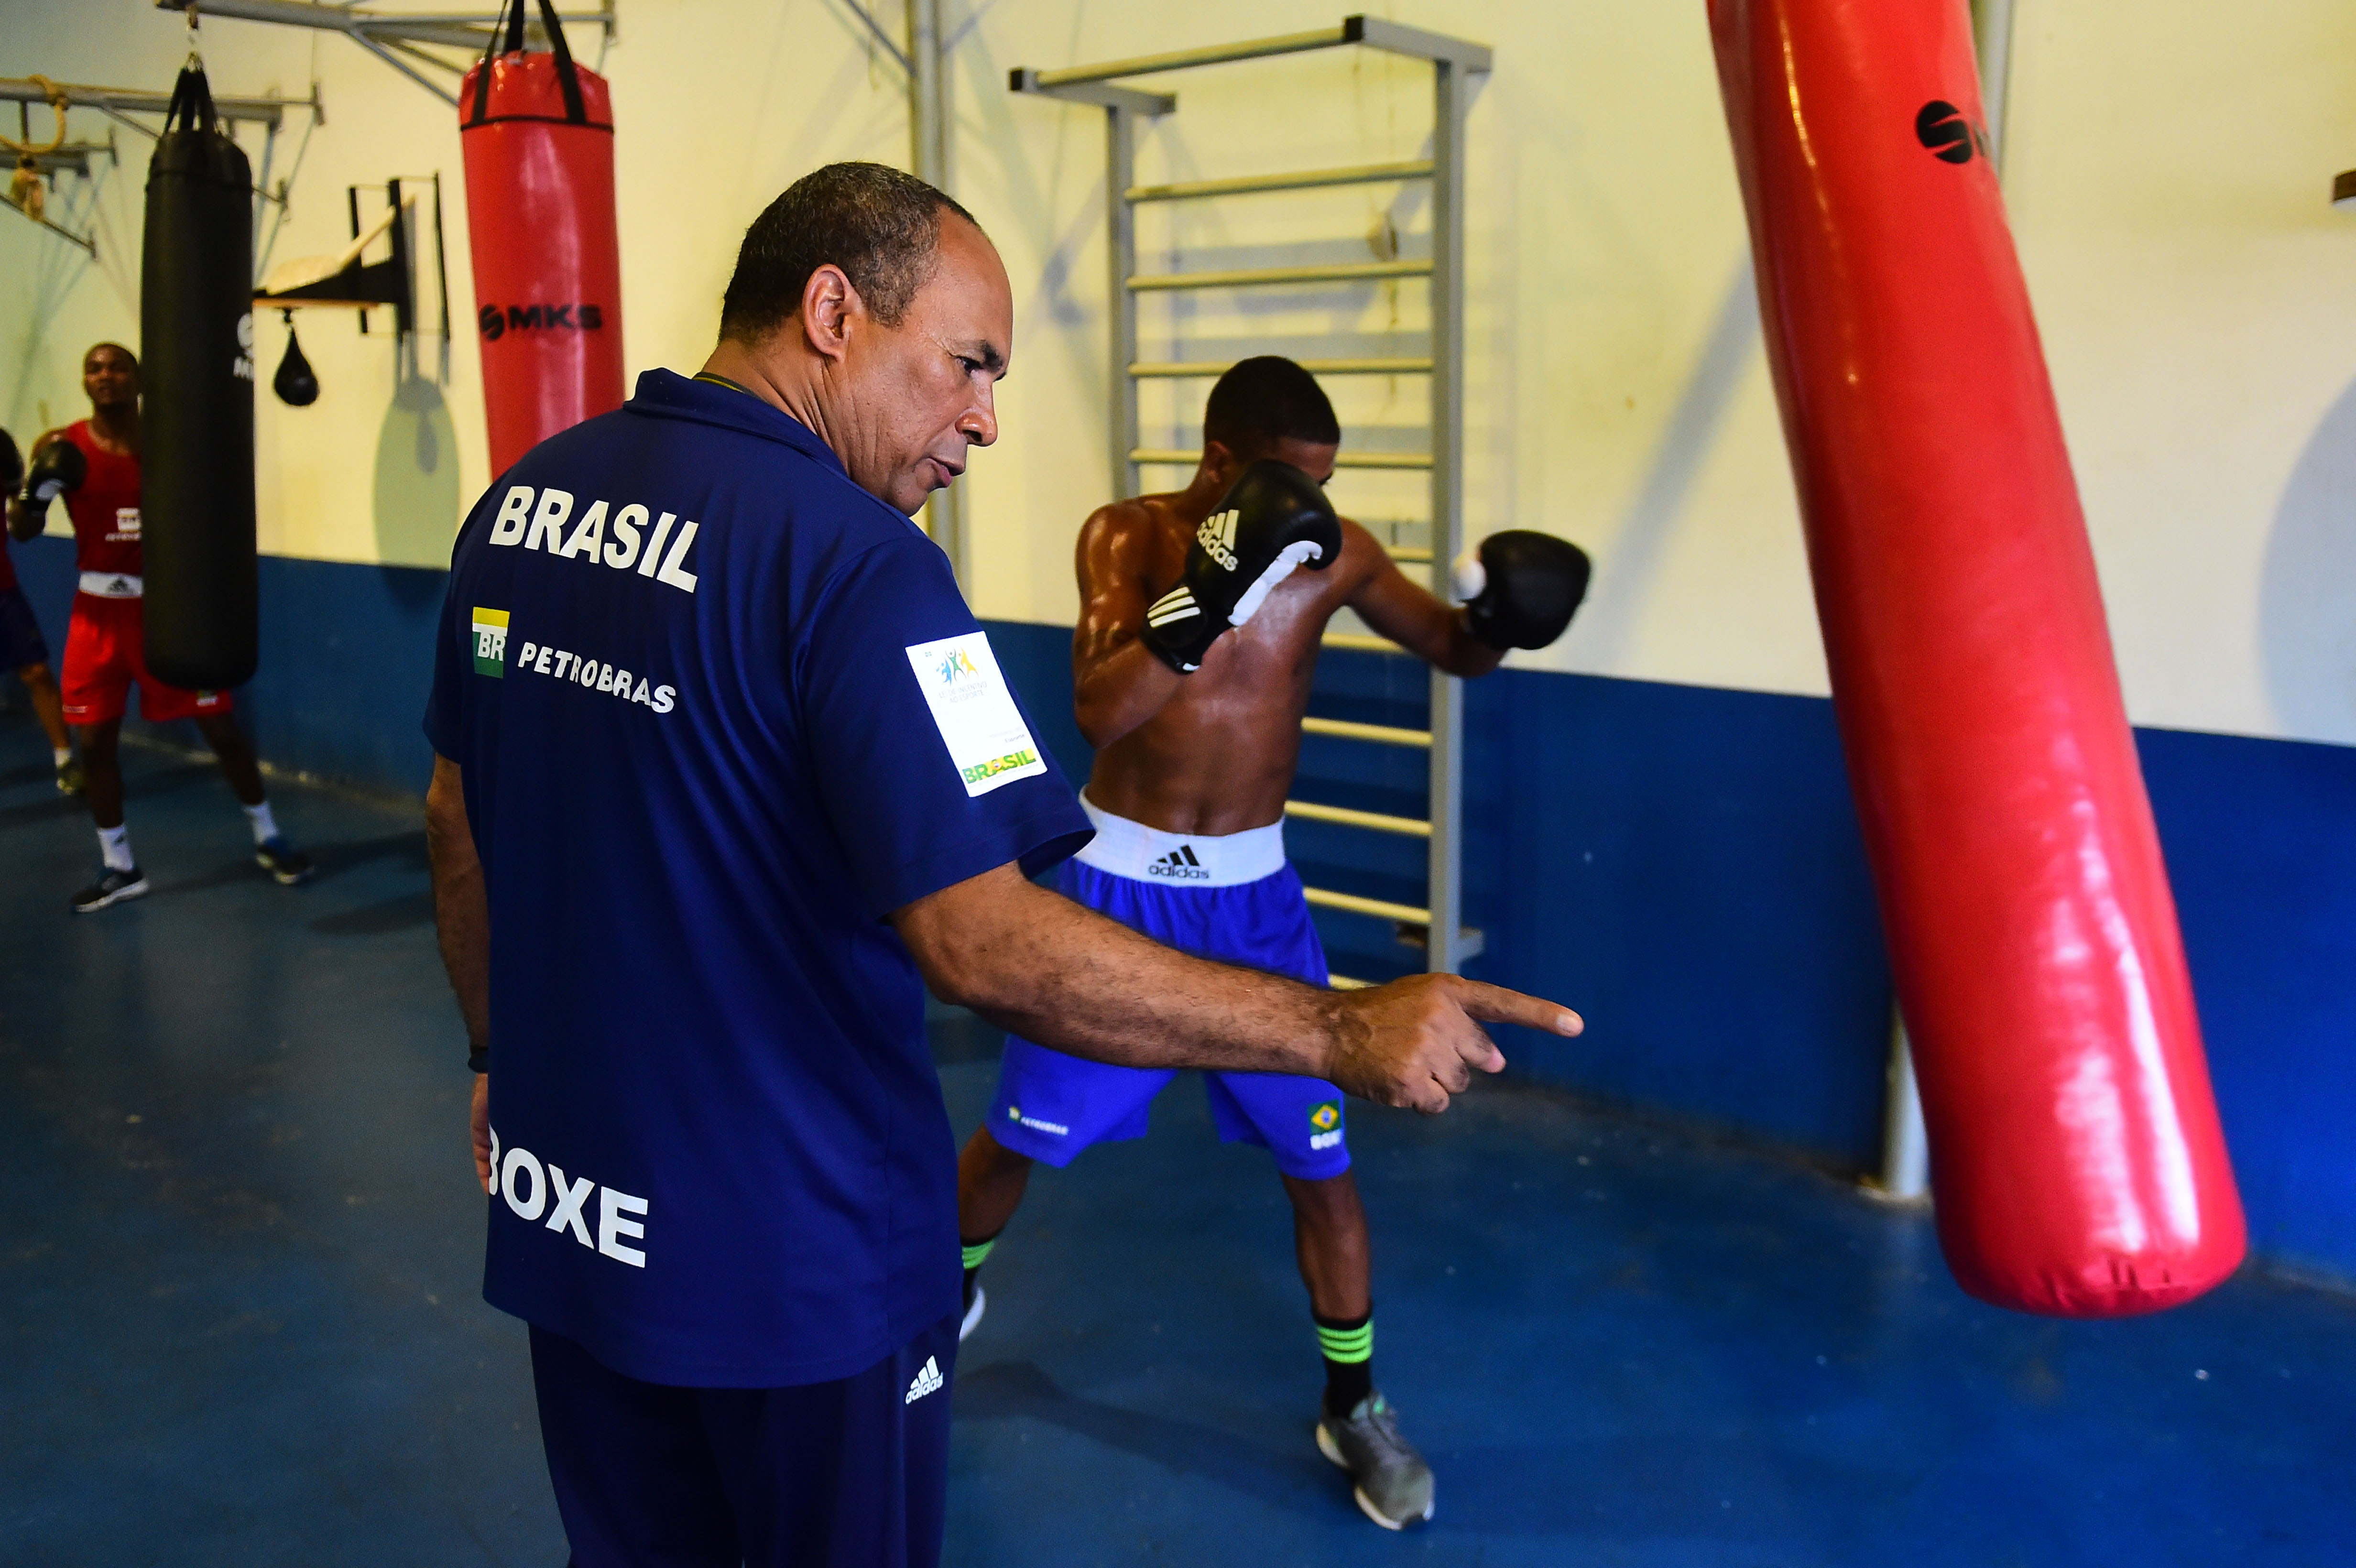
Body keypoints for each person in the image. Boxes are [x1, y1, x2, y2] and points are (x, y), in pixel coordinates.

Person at [423, 162, 1582, 1568]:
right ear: (834, 312)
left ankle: (1355, 1394)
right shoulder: (867, 569)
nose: (984, 417)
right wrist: (1340, 1025)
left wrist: (496, 1053)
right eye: (968, 363)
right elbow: (983, 940)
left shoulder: (525, 500)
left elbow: (457, 812)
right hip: (802, 1255)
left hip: (572, 1201)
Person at [954, 355, 1591, 1532]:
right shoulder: (1129, 534)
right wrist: (1213, 587)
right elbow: (1100, 707)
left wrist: (1504, 620)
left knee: (1323, 1169)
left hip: (1258, 907)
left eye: (1323, 488)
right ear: (1220, 465)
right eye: (1291, 487)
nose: (1310, 513)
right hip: (1115, 889)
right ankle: (942, 1300)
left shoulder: (1335, 553)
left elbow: (1453, 646)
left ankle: (1354, 1401)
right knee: (1014, 1137)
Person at [6, 344, 313, 913]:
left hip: (167, 611)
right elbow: (23, 531)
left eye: (117, 367)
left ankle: (269, 834)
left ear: (138, 378)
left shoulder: (171, 441)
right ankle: (120, 866)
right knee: (94, 743)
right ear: (84, 381)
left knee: (221, 728)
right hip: (96, 615)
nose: (106, 376)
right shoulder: (61, 445)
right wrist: (34, 493)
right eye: (95, 368)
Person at [0, 425, 80, 794]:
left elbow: (20, 511)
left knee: (36, 673)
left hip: (3, 591)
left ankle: (66, 761)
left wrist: (38, 469)